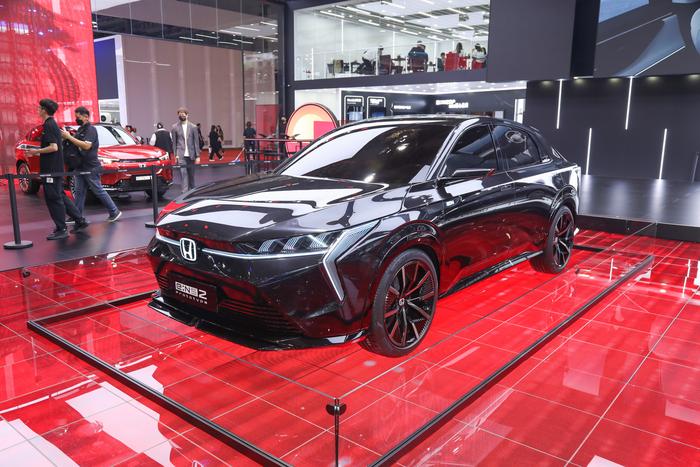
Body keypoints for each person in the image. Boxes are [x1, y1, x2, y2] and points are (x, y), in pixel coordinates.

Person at [26, 99, 88, 240]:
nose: (37, 110)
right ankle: (80, 220)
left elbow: (53, 147)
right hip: (55, 168)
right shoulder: (52, 124)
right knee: (60, 195)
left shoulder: (49, 125)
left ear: (44, 110)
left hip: (51, 170)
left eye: (39, 108)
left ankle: (61, 229)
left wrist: (35, 152)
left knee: (53, 198)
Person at [61, 106, 122, 222]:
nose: (76, 119)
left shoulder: (91, 130)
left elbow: (86, 146)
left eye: (78, 117)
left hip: (91, 166)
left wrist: (69, 137)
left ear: (86, 117)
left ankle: (114, 211)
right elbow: (77, 144)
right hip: (80, 166)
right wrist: (68, 137)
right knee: (79, 192)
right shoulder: (81, 130)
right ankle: (77, 216)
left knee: (98, 190)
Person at [171, 107, 200, 192]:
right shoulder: (174, 127)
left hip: (191, 155)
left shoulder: (193, 127)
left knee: (191, 175)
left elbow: (196, 142)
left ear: (187, 115)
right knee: (183, 175)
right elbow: (174, 143)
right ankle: (184, 193)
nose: (182, 116)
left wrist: (198, 156)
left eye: (183, 115)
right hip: (181, 155)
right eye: (180, 115)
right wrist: (175, 155)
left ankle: (193, 191)